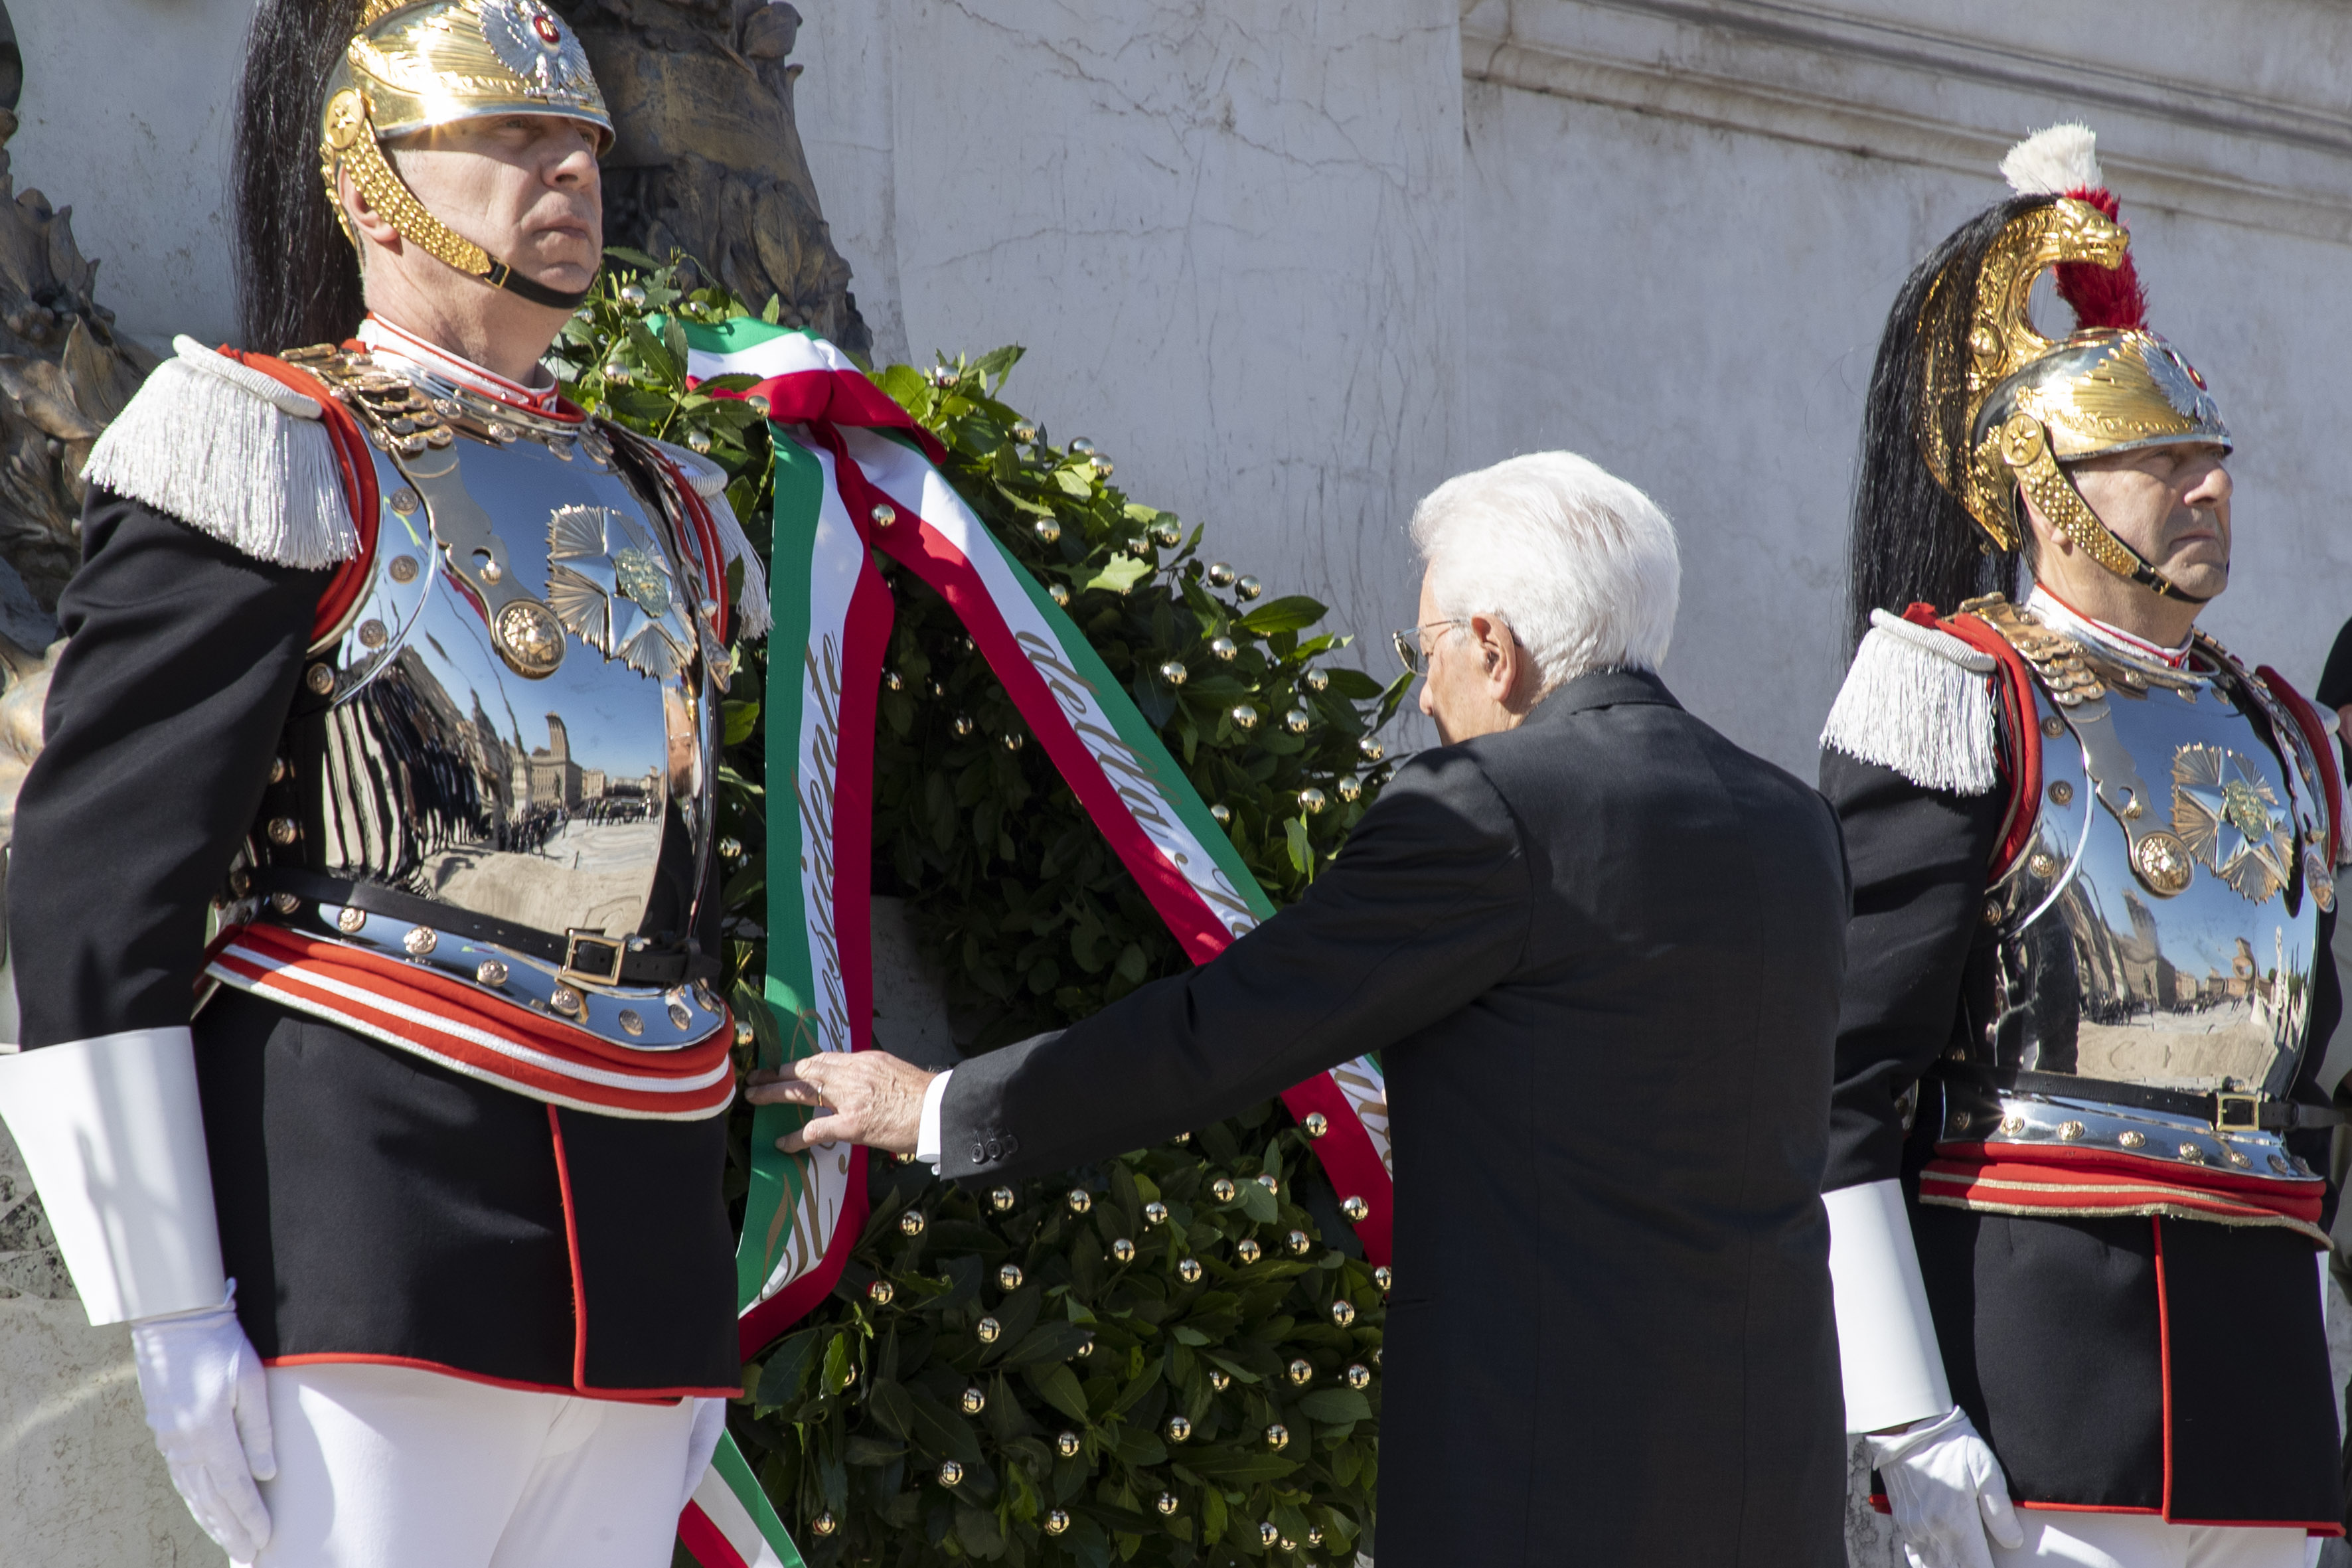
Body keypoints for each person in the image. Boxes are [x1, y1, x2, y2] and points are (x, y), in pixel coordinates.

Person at [748, 450, 1853, 1565]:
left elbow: (1227, 1030)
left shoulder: (1493, 811)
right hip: (1775, 1475)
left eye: (1426, 653)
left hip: (1547, 1478)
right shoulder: (1793, 826)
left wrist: (943, 1104)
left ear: (1493, 646)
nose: (1425, 695)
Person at [0, 2, 769, 1563]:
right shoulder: (270, 444)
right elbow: (97, 886)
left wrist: (692, 1280)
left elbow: (681, 919)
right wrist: (166, 1293)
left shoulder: (663, 499)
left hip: (635, 1228)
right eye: (506, 136)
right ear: (365, 184)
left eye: (584, 142)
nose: (569, 167)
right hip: (369, 1209)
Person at [1819, 123, 2347, 1568]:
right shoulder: (1949, 693)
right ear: (2045, 490)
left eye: (2212, 458)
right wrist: (1898, 1411)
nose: (2207, 487)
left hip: (2263, 1396)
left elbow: (2297, 1084)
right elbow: (1838, 1079)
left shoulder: (2278, 728)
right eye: (2157, 460)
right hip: (2032, 1368)